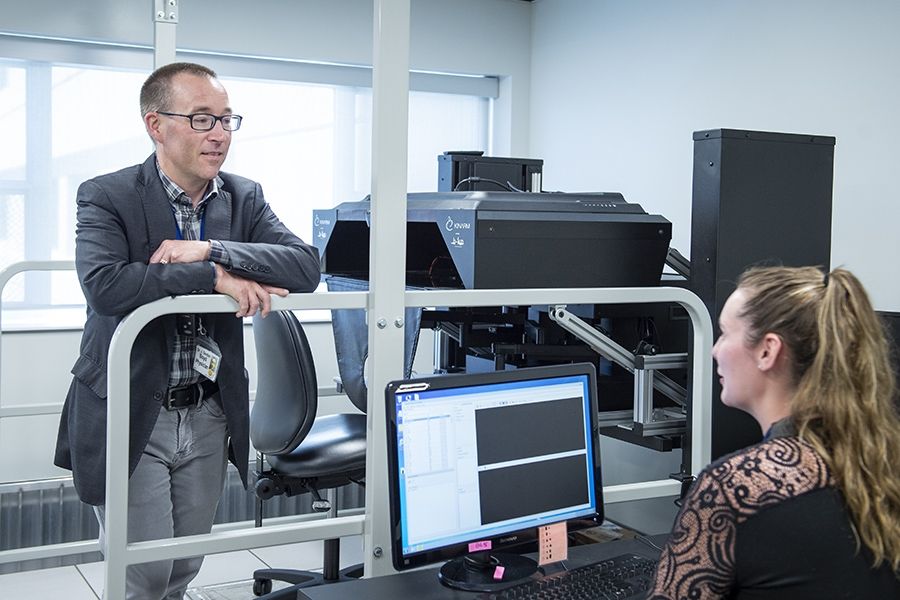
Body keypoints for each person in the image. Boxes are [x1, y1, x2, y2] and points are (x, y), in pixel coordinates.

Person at [53, 62, 321, 599]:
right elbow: (106, 285)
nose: (219, 134)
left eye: (226, 120)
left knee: (182, 567)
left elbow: (304, 266)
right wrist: (214, 277)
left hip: (207, 410)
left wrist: (210, 249)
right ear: (156, 125)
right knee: (142, 573)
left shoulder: (243, 197)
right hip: (133, 410)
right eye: (202, 119)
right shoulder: (107, 195)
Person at [650, 266, 900, 599]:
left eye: (724, 333)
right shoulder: (880, 460)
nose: (714, 349)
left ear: (768, 351)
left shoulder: (734, 487)